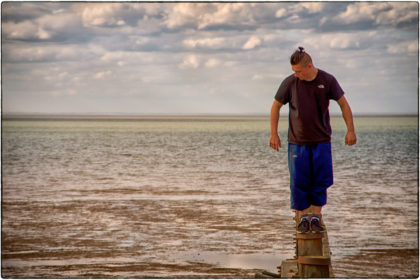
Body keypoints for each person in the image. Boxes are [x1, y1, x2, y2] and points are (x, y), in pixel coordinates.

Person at [269, 46, 357, 233]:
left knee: (320, 180)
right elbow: (275, 107)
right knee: (299, 181)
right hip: (297, 143)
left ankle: (315, 218)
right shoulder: (290, 83)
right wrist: (273, 133)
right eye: (293, 71)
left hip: (321, 141)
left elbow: (344, 105)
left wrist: (351, 130)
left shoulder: (328, 80)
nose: (295, 75)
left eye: (298, 71)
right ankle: (302, 219)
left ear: (309, 66)